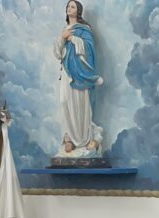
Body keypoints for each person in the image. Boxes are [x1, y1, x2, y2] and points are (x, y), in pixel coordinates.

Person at [54, 0, 104, 156]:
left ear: (78, 11)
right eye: (68, 6)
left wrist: (72, 39)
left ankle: (84, 139)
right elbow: (57, 53)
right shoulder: (64, 29)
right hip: (67, 72)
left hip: (80, 72)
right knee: (65, 101)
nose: (69, 8)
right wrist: (62, 38)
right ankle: (71, 137)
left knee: (81, 104)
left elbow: (89, 48)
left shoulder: (84, 29)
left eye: (72, 6)